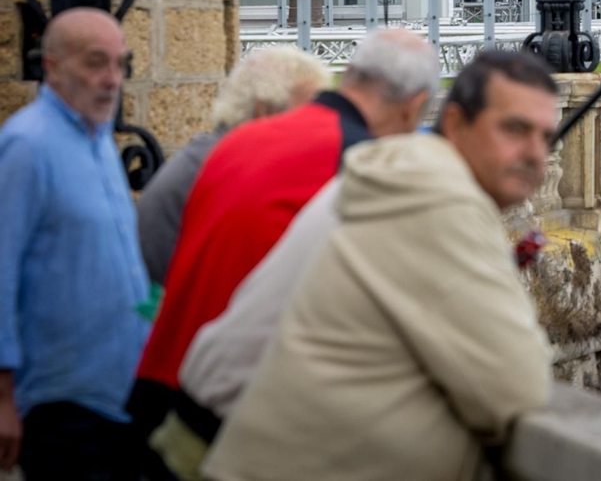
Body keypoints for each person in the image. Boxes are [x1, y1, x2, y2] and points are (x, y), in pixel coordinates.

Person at [201, 50, 559, 481]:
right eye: (515, 129)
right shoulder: (437, 198)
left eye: (546, 137)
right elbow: (515, 384)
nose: (535, 154)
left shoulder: (402, 172)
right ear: (455, 123)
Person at [132, 30, 439, 433]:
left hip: (161, 387)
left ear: (349, 74)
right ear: (414, 106)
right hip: (234, 413)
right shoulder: (361, 163)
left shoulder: (233, 143)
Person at [0, 8, 150, 480]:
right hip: (61, 402)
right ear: (52, 66)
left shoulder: (100, 136)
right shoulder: (27, 145)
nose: (111, 79)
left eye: (119, 63)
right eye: (94, 62)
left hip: (119, 392)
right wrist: (3, 397)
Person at [138, 47, 331, 286]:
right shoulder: (224, 168)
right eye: (308, 111)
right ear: (265, 110)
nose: (317, 124)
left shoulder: (214, 156)